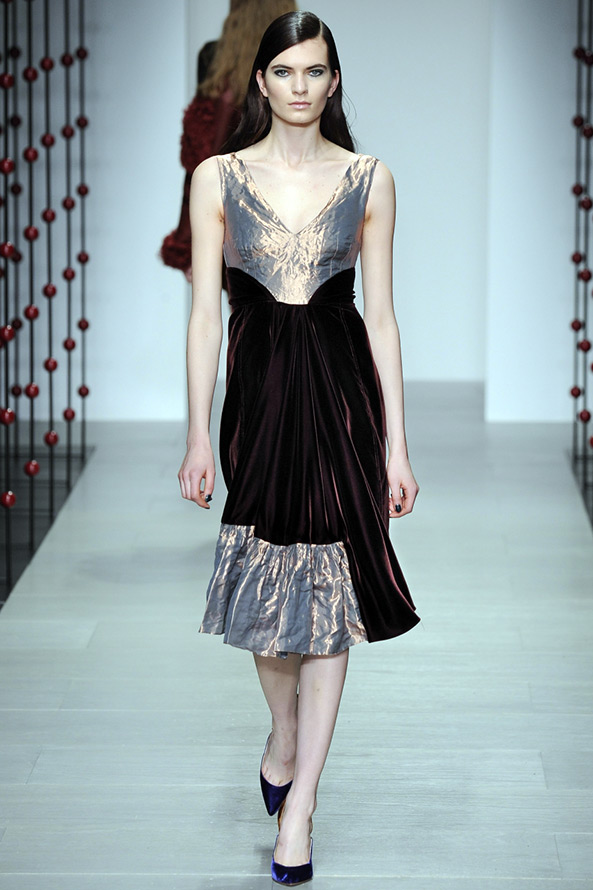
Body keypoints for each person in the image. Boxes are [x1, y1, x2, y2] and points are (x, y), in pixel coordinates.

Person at [178, 10, 421, 885]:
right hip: (259, 399)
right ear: (260, 81)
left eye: (314, 71)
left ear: (333, 80)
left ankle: (303, 805)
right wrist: (197, 434)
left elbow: (381, 317)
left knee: (329, 595)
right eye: (284, 71)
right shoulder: (218, 177)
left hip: (341, 398)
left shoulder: (367, 177)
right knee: (265, 591)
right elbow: (205, 316)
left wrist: (397, 448)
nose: (299, 87)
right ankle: (282, 735)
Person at [160, 0, 297, 281]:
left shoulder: (214, 60)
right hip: (286, 206)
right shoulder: (297, 60)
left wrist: (189, 240)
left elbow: (202, 150)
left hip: (225, 211)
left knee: (238, 303)